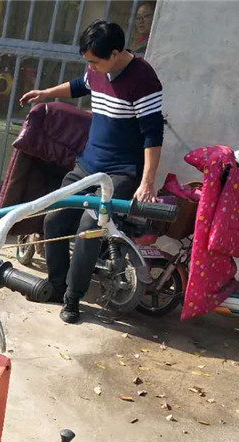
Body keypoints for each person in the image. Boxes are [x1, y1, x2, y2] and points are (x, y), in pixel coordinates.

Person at [19, 20, 164, 323]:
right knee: (55, 219)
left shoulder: (144, 80)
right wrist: (46, 93)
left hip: (121, 173)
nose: (91, 68)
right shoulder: (98, 69)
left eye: (94, 62)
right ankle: (57, 286)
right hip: (88, 163)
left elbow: (153, 135)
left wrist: (147, 181)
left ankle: (73, 298)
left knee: (89, 228)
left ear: (114, 53)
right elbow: (80, 85)